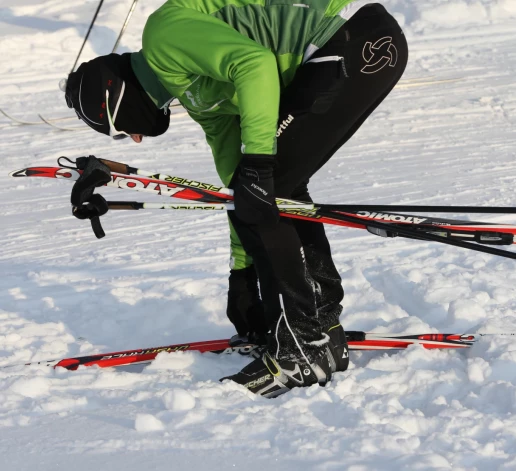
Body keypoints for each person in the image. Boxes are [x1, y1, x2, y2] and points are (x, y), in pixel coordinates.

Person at [63, 0, 408, 397]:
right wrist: (242, 275)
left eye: (121, 131)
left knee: (272, 188)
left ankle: (300, 350)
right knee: (272, 195)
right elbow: (239, 192)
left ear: (117, 100)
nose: (135, 138)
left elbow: (255, 65)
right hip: (350, 55)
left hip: (355, 47)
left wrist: (260, 163)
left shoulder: (163, 36)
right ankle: (321, 330)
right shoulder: (192, 90)